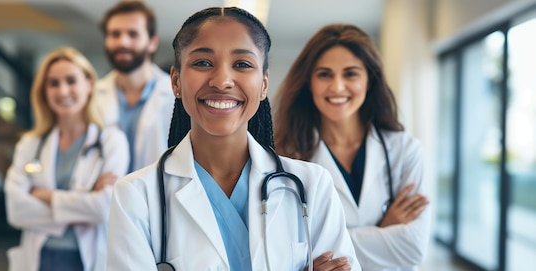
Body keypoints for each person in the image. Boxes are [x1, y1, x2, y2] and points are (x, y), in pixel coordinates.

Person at [106, 7, 361, 271]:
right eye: (203, 63)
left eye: (242, 64)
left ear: (263, 85)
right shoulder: (136, 196)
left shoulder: (311, 185)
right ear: (176, 81)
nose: (222, 81)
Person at [273, 24, 431, 271]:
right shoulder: (285, 157)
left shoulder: (404, 150)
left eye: (351, 74)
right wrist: (382, 230)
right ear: (309, 83)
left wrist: (330, 241)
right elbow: (284, 249)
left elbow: (413, 249)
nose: (337, 87)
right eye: (324, 74)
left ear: (369, 80)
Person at [4, 47, 129, 271]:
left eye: (71, 81)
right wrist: (83, 201)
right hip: (39, 258)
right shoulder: (30, 144)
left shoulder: (111, 141)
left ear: (89, 84)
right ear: (44, 91)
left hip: (86, 259)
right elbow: (16, 210)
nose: (62, 91)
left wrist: (45, 196)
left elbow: (103, 208)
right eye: (53, 83)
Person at [96, 0, 175, 173]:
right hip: (105, 198)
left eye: (133, 34)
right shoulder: (92, 95)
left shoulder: (175, 96)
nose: (123, 42)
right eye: (115, 34)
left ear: (152, 42)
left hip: (156, 196)